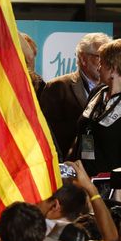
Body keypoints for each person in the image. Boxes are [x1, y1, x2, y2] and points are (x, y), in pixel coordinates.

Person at [41, 32, 111, 159]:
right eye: (100, 57)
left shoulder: (112, 87)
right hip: (71, 163)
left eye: (108, 57)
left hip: (104, 163)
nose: (106, 63)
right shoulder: (58, 86)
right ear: (83, 59)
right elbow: (48, 132)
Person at [75, 39, 121, 175]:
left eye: (102, 64)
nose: (98, 68)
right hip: (84, 176)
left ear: (113, 69)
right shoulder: (98, 92)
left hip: (112, 185)